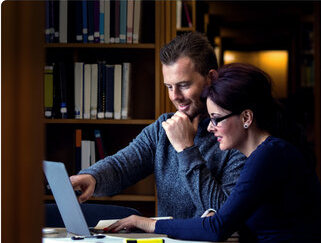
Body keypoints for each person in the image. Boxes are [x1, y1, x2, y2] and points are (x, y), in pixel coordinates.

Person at [106, 63, 321, 242]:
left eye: (216, 119)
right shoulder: (265, 153)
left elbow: (217, 228)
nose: (210, 127)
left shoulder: (268, 155)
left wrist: (145, 222)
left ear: (246, 118)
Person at [70, 32, 246, 219]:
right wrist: (92, 177)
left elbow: (224, 213)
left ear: (211, 78)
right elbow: (122, 166)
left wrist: (186, 149)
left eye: (184, 85)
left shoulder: (234, 133)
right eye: (169, 87)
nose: (175, 96)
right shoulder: (162, 127)